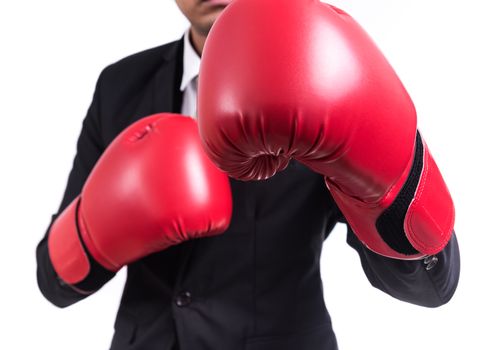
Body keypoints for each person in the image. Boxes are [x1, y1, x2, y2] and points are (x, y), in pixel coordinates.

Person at [36, 0, 460, 349]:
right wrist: (95, 228)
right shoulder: (120, 85)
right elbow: (54, 280)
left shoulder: (321, 65)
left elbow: (429, 286)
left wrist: (390, 185)